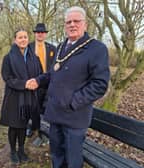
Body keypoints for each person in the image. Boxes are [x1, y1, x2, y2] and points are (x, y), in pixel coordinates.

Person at [30, 6, 110, 168]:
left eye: (76, 21)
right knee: (57, 155)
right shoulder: (61, 46)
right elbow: (53, 73)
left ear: (85, 24)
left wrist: (73, 101)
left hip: (75, 116)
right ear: (65, 25)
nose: (72, 25)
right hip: (55, 113)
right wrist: (38, 80)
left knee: (73, 161)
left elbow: (100, 84)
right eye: (68, 22)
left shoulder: (96, 48)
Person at [0, 28, 43, 165]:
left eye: (25, 37)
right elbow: (7, 77)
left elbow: (40, 74)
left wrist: (35, 82)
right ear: (15, 40)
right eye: (20, 37)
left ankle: (21, 150)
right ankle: (13, 151)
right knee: (14, 125)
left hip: (29, 97)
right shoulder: (8, 58)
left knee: (23, 125)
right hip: (14, 97)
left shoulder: (34, 57)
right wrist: (24, 84)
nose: (23, 39)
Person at [26, 23, 56, 146]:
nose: (40, 34)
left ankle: (43, 133)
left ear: (45, 34)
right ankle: (32, 127)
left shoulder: (52, 48)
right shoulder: (28, 47)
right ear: (35, 34)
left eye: (42, 32)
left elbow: (55, 65)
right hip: (34, 82)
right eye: (38, 32)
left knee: (45, 109)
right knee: (33, 107)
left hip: (48, 82)